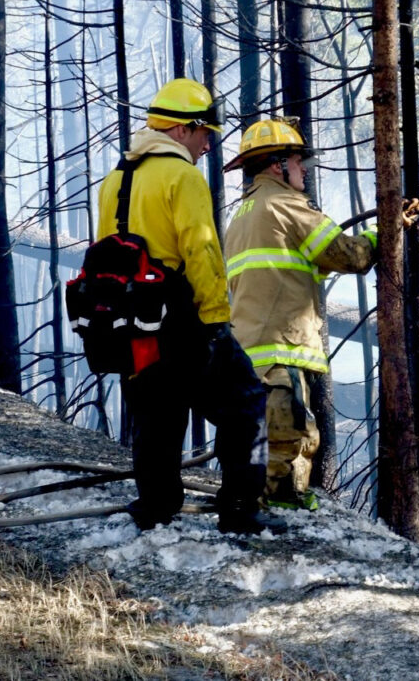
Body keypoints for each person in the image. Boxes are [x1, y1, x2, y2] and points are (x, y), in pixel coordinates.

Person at [96, 78, 275, 534]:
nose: (209, 145)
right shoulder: (182, 177)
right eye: (205, 134)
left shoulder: (115, 178)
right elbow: (201, 252)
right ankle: (239, 509)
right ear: (181, 130)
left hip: (132, 322)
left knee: (157, 409)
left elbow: (105, 250)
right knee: (246, 403)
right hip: (184, 319)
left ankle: (155, 506)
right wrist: (216, 320)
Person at [222, 118, 419, 509]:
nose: (304, 173)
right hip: (280, 345)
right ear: (278, 165)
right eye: (300, 163)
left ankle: (271, 505)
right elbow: (349, 255)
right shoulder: (286, 206)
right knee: (290, 437)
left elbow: (298, 263)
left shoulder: (245, 213)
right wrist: (387, 232)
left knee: (266, 437)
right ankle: (279, 516)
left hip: (250, 347)